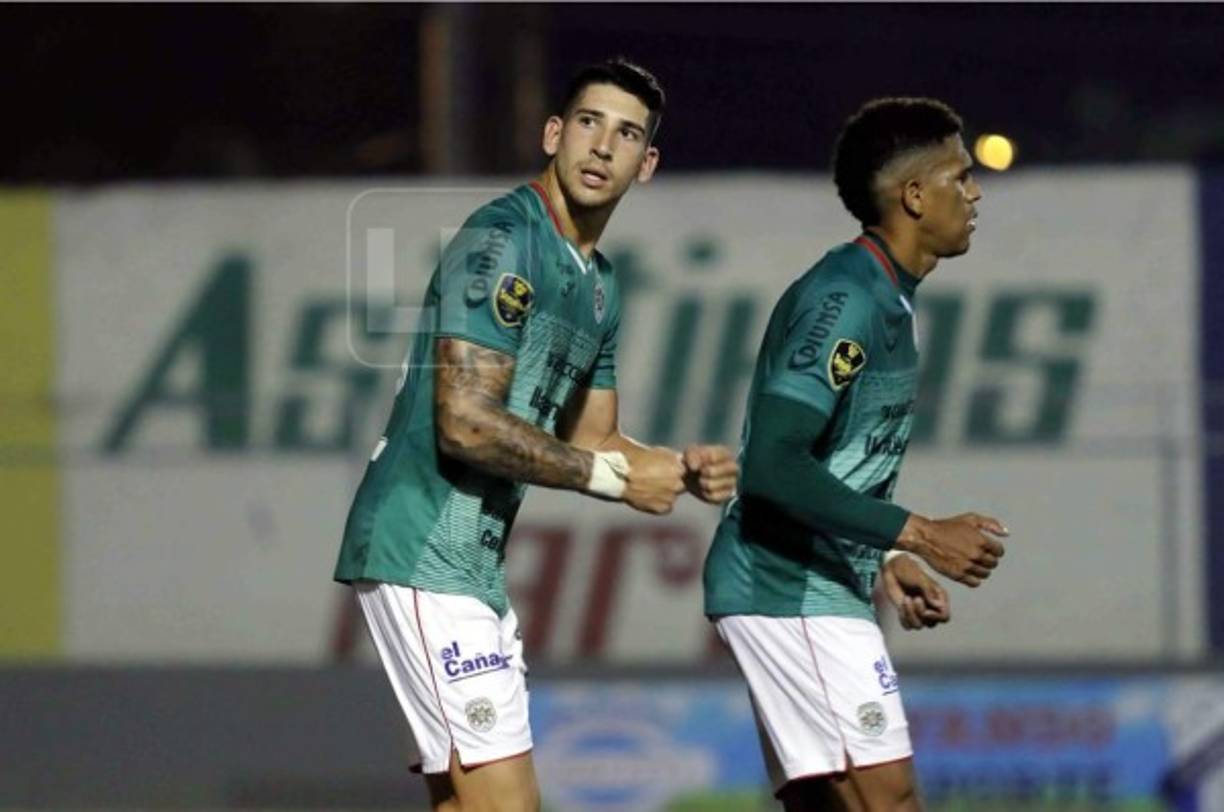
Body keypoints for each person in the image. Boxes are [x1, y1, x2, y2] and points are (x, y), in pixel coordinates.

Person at [334, 58, 737, 812]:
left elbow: (598, 437)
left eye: (627, 135)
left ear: (647, 164)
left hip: (471, 567)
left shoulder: (599, 283)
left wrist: (677, 470)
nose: (602, 146)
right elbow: (464, 422)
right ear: (554, 134)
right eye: (588, 123)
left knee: (466, 802)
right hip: (421, 547)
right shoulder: (503, 239)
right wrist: (615, 482)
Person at [703, 97, 1010, 811]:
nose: (975, 193)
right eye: (961, 176)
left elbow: (833, 463)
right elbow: (773, 464)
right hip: (787, 586)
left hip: (816, 583)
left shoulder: (888, 295)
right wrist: (921, 532)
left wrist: (885, 554)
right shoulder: (846, 299)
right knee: (888, 801)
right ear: (915, 195)